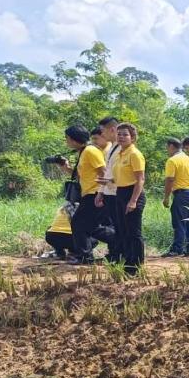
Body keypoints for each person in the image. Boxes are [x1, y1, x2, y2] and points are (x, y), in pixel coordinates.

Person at [57, 125, 105, 265]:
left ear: (72, 139)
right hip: (89, 193)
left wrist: (101, 193)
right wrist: (65, 167)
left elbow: (103, 171)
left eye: (67, 138)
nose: (66, 141)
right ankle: (117, 243)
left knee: (78, 223)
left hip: (94, 193)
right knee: (88, 226)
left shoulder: (90, 151)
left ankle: (85, 256)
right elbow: (80, 175)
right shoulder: (83, 152)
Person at [111, 123, 147, 274]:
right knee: (123, 229)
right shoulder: (120, 153)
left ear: (132, 137)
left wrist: (133, 201)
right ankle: (127, 262)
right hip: (120, 192)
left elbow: (140, 179)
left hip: (133, 194)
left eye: (125, 134)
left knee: (133, 232)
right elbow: (122, 176)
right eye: (119, 134)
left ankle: (136, 265)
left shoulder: (134, 154)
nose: (121, 137)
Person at [161, 138, 189, 257]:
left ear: (171, 146)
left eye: (167, 148)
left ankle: (177, 249)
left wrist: (166, 197)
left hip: (181, 194)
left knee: (179, 222)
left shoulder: (172, 161)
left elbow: (170, 179)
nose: (167, 150)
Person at [94, 116, 121, 256]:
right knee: (115, 225)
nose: (101, 133)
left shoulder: (122, 149)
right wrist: (101, 192)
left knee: (121, 227)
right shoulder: (110, 149)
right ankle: (115, 254)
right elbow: (107, 173)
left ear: (112, 129)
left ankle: (121, 255)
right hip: (110, 193)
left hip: (119, 192)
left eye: (103, 130)